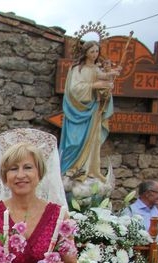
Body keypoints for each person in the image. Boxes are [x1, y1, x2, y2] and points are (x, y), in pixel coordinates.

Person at [60, 40, 121, 181]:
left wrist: (111, 75)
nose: (95, 54)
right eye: (92, 51)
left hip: (94, 110)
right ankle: (71, 169)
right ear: (85, 52)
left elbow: (104, 77)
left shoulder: (96, 69)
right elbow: (74, 89)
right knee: (74, 142)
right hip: (77, 111)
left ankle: (90, 170)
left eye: (97, 51)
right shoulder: (77, 69)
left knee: (93, 141)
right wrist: (94, 85)